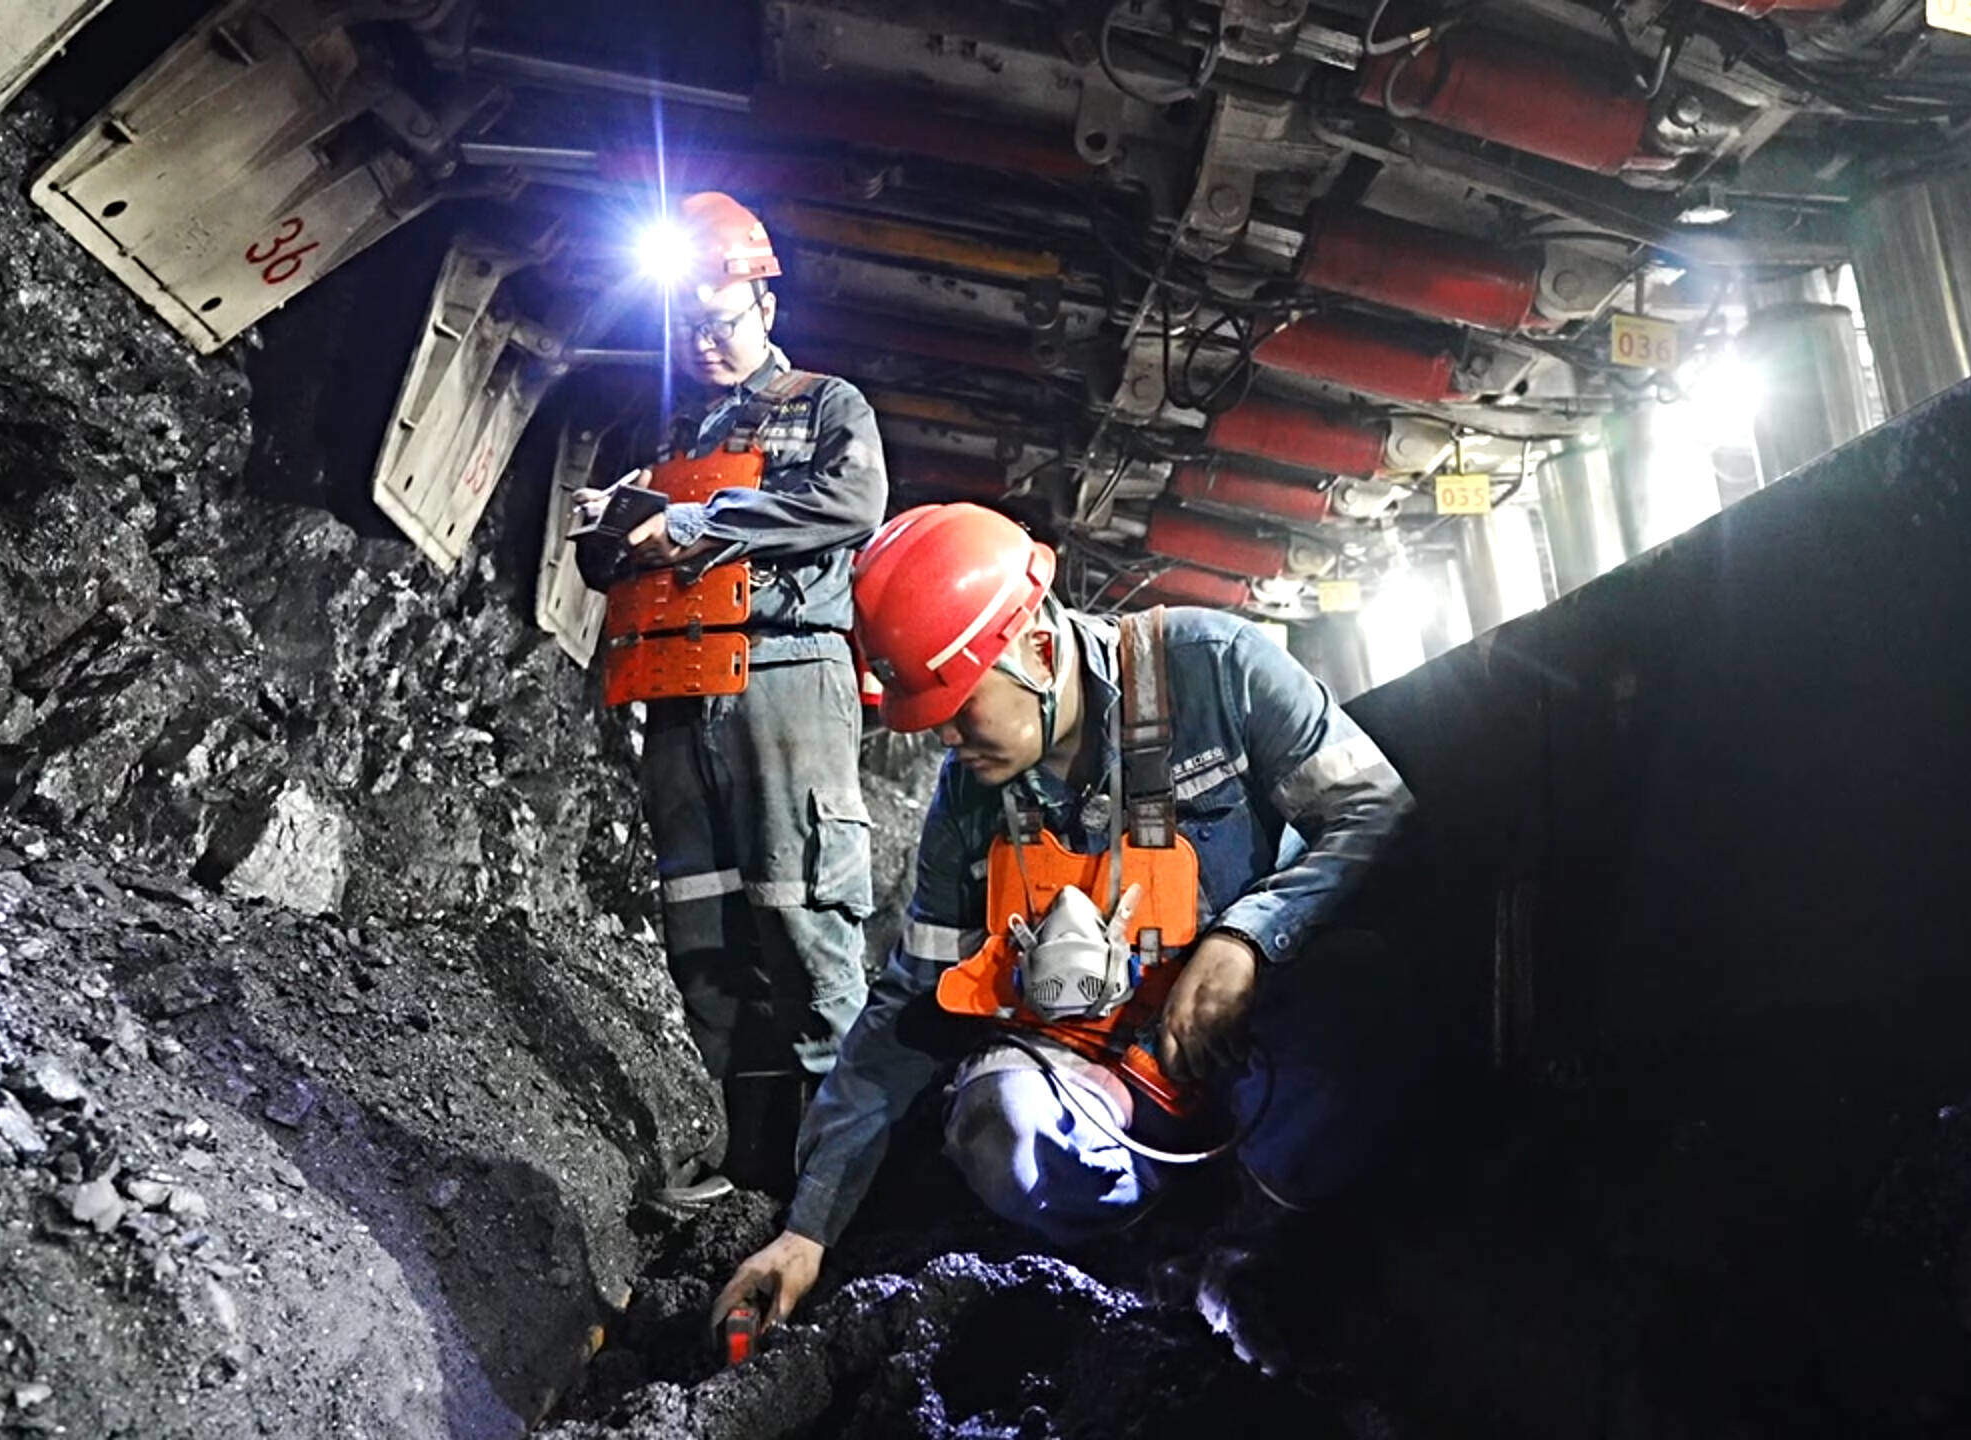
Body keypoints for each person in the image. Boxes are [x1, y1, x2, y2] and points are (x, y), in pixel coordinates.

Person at [714, 502, 1414, 1347]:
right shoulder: (970, 806)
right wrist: (809, 1228)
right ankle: (1140, 1258)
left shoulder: (1216, 667)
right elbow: (910, 1004)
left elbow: (1375, 809)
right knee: (995, 1126)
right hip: (1111, 1083)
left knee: (1368, 985)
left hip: (1252, 1049)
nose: (945, 734)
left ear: (1038, 650)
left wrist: (1249, 938)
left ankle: (1266, 1244)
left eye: (959, 702)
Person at [569, 192, 886, 1204]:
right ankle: (740, 1167)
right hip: (675, 691)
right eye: (686, 327)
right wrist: (614, 525)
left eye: (723, 323)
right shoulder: (659, 423)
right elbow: (608, 569)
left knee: (802, 923)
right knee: (704, 937)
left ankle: (836, 1179)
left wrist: (699, 522)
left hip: (786, 675)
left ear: (762, 298)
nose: (705, 344)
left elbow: (849, 503)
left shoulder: (826, 404)